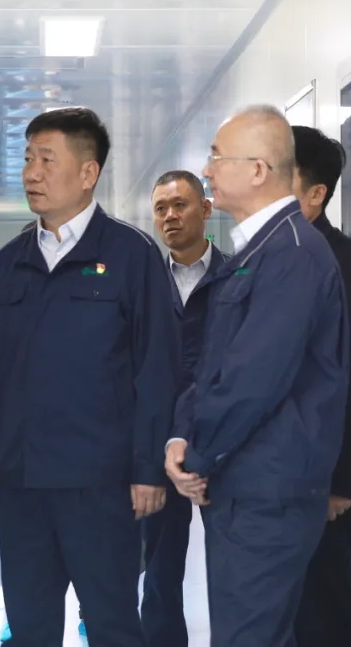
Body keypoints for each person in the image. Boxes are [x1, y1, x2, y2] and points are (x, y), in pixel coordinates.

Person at [0, 107, 182, 647]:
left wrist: (148, 469)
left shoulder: (131, 255)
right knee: (30, 626)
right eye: (27, 160)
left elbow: (157, 369)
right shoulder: (10, 261)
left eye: (47, 160)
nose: (31, 174)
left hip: (101, 485)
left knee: (112, 625)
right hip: (22, 485)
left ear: (88, 173)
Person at [165, 105, 349, 647]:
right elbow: (212, 363)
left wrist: (197, 457)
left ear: (258, 171)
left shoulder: (292, 255)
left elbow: (252, 381)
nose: (207, 169)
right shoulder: (258, 252)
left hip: (267, 494)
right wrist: (180, 436)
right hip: (244, 488)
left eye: (217, 157)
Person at [290, 126, 351, 647]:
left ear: (315, 194)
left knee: (324, 619)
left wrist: (343, 483)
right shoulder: (268, 261)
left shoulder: (348, 267)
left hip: (323, 488)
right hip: (274, 486)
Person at [141, 170, 228, 647]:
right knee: (158, 571)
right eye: (161, 209)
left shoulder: (238, 276)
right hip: (158, 449)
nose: (170, 216)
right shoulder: (144, 284)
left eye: (180, 205)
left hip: (224, 445)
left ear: (206, 209)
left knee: (234, 571)